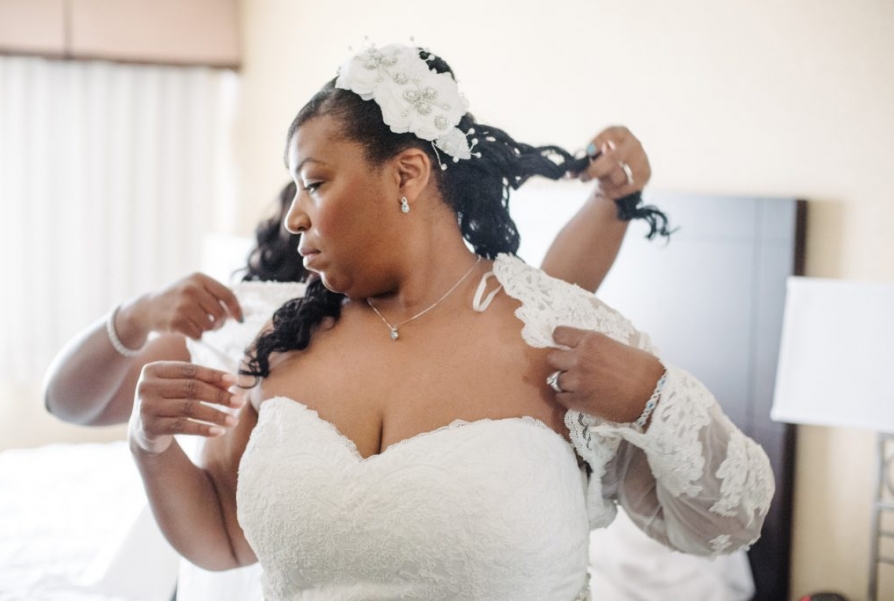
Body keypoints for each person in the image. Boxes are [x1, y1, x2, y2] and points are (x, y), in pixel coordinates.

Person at [123, 43, 773, 600]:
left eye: (313, 183)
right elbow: (222, 535)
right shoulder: (280, 344)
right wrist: (148, 446)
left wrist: (654, 399)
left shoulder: (556, 337)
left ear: (407, 174)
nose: (293, 216)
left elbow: (730, 523)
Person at [44, 128, 664, 599]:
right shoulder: (256, 324)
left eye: (317, 186)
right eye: (302, 192)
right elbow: (66, 403)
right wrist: (136, 317)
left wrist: (612, 200)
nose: (303, 221)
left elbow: (546, 302)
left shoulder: (465, 315)